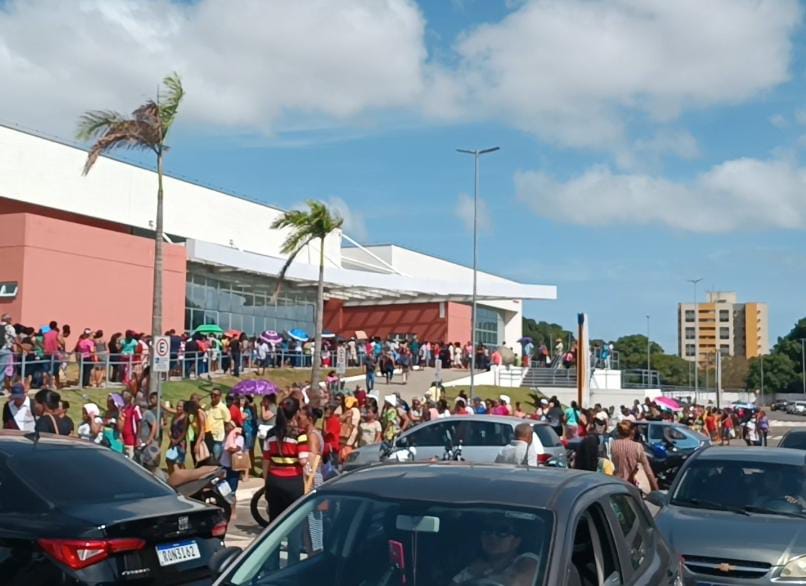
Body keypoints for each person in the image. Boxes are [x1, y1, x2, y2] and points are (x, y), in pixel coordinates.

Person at [264, 397, 307, 564]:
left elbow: (266, 459)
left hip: (274, 481)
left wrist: (266, 483)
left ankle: (272, 565)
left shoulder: (270, 434)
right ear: (296, 413)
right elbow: (303, 461)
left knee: (273, 526)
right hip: (293, 482)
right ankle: (292, 566)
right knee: (294, 527)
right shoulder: (300, 435)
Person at [451, 517, 540, 585]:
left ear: (516, 541)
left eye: (502, 531)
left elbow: (516, 582)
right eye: (487, 530)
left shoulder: (527, 559)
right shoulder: (473, 567)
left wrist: (479, 576)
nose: (492, 536)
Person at [610, 421, 658, 492]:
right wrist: (655, 490)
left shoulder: (613, 445)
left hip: (616, 484)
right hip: (631, 485)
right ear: (632, 431)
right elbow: (648, 471)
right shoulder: (637, 447)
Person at [205, 388, 232, 462]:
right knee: (208, 458)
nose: (213, 396)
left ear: (220, 396)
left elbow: (227, 423)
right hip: (207, 436)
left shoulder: (223, 408)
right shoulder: (207, 407)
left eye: (215, 395)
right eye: (211, 394)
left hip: (217, 438)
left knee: (216, 459)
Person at [166, 400, 189, 473]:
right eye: (177, 406)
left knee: (178, 463)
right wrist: (171, 437)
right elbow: (171, 429)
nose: (178, 408)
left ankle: (182, 478)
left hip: (180, 443)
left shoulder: (185, 418)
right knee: (169, 460)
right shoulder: (175, 416)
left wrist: (176, 441)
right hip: (173, 442)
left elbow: (184, 432)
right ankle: (171, 476)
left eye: (180, 406)